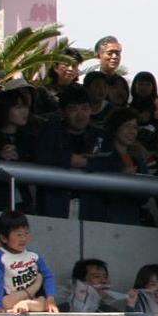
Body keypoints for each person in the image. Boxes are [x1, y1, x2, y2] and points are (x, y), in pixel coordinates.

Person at [32, 84, 109, 218]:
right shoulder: (51, 132)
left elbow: (112, 162)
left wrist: (85, 162)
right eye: (73, 109)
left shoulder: (100, 136)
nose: (80, 115)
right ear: (63, 112)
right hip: (55, 204)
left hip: (91, 206)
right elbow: (40, 156)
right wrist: (68, 159)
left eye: (85, 108)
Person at [0, 211, 56, 313]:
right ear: (4, 238)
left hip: (32, 301)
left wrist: (51, 298)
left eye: (26, 233)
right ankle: (21, 306)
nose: (23, 238)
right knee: (5, 302)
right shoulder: (0, 257)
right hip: (11, 300)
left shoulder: (34, 256)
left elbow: (48, 276)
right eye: (18, 235)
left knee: (43, 302)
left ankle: (25, 305)